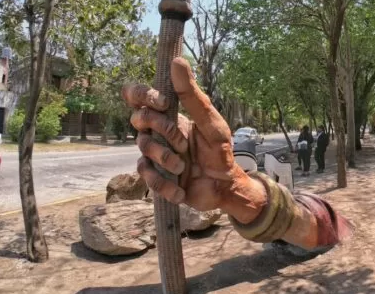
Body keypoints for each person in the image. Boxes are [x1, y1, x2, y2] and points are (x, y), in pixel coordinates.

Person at [121, 57, 352, 251]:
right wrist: (228, 188)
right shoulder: (290, 201)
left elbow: (323, 229)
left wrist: (231, 188)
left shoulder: (324, 215)